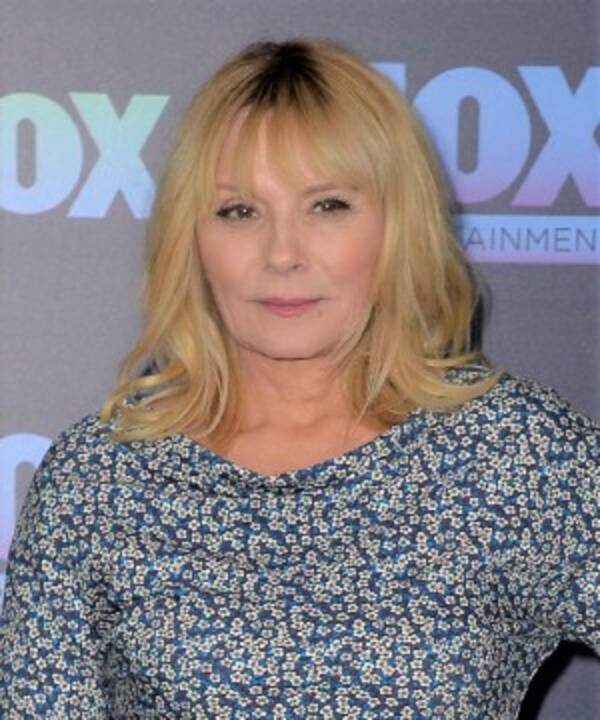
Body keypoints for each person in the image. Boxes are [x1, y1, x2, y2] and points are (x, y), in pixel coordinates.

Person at [0, 36, 598, 719]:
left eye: (328, 206)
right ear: (191, 240)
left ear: (397, 226)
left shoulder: (514, 455)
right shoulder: (100, 479)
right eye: (240, 211)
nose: (282, 254)